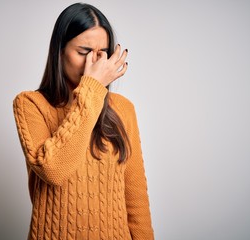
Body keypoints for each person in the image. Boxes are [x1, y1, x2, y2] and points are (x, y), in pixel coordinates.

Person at [13, 3, 154, 240]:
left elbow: (136, 201)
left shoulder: (123, 109)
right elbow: (54, 170)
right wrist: (92, 88)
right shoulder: (30, 104)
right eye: (83, 52)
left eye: (103, 53)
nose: (95, 63)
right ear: (59, 51)